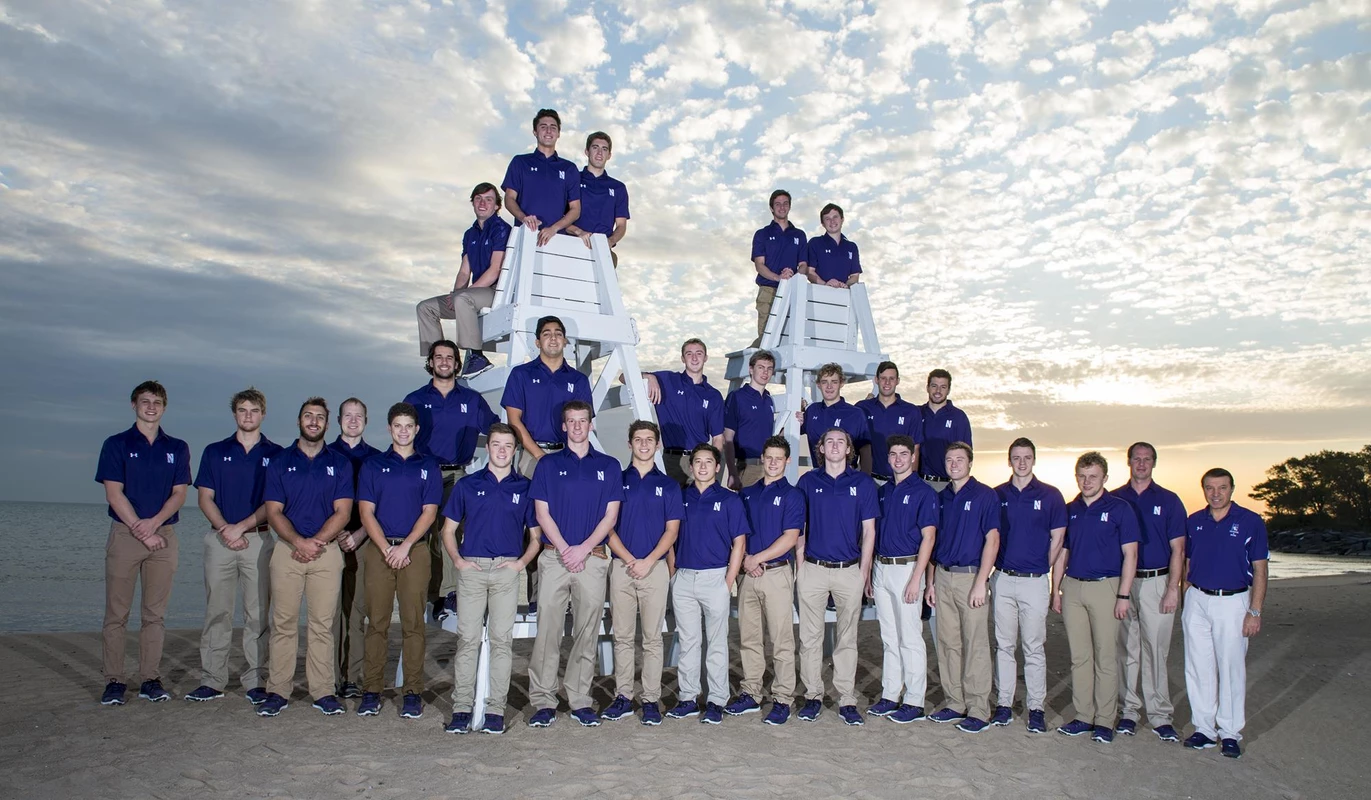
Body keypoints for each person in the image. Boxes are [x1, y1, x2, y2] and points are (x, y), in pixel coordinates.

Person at [525, 401, 624, 728]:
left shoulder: (609, 466)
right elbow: (542, 513)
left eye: (583, 421)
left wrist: (583, 549)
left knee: (586, 632)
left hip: (593, 559)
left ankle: (580, 698)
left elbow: (610, 516)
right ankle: (542, 699)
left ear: (591, 425)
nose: (578, 426)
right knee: (548, 632)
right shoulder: (548, 466)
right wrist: (567, 548)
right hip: (555, 558)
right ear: (564, 426)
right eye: (572, 421)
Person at [440, 423, 541, 735]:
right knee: (467, 640)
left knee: (501, 642)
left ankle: (495, 709)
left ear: (515, 450)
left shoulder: (524, 488)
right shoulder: (468, 485)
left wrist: (519, 564)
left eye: (507, 445)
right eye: (496, 444)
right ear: (489, 448)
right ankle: (461, 709)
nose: (501, 450)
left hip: (506, 572)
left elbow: (535, 538)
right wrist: (459, 561)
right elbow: (447, 530)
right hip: (472, 570)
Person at [257, 398, 355, 718]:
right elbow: (273, 511)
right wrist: (299, 541)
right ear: (299, 421)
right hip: (287, 551)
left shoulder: (339, 463)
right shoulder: (280, 461)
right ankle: (278, 690)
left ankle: (322, 691)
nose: (313, 421)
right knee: (283, 623)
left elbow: (343, 512)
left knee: (322, 626)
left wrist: (317, 542)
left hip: (326, 553)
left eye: (320, 418)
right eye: (308, 416)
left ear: (328, 424)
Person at [96, 381, 191, 706]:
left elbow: (179, 494)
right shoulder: (116, 444)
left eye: (157, 402)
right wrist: (140, 528)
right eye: (145, 401)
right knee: (116, 614)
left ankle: (150, 678)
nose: (151, 407)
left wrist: (154, 525)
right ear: (134, 404)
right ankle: (114, 681)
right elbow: (113, 492)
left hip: (163, 537)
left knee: (154, 615)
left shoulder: (177, 447)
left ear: (164, 407)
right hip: (125, 535)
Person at [186, 387, 282, 705]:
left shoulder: (276, 454)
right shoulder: (215, 451)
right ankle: (212, 680)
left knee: (257, 614)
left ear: (263, 414)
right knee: (218, 612)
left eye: (254, 410)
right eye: (243, 410)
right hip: (219, 540)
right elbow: (204, 496)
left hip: (259, 539)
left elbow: (274, 503)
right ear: (235, 414)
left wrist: (241, 527)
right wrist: (226, 529)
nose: (248, 416)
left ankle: (255, 679)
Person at [354, 403, 443, 721]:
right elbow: (366, 512)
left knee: (413, 625)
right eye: (397, 426)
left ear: (416, 429)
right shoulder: (373, 465)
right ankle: (372, 691)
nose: (403, 431)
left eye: (409, 426)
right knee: (376, 624)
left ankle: (412, 693)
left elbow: (429, 512)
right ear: (389, 428)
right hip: (379, 551)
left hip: (414, 552)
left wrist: (404, 547)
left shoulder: (428, 466)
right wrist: (386, 548)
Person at [501, 315, 594, 614]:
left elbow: (582, 421)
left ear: (565, 341)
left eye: (558, 334)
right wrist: (538, 455)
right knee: (529, 522)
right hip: (532, 455)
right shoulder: (522, 374)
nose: (553, 338)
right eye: (546, 334)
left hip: (566, 457)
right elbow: (513, 420)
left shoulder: (577, 380)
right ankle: (528, 595)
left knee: (561, 521)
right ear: (537, 341)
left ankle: (555, 595)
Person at [404, 340, 499, 620]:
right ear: (431, 363)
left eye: (449, 357)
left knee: (452, 532)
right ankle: (432, 595)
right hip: (423, 473)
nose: (444, 362)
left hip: (457, 473)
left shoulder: (471, 400)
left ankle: (450, 593)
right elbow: (402, 434)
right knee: (425, 536)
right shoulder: (415, 399)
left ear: (457, 364)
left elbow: (495, 429)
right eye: (438, 357)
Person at [1181, 468, 1268, 759]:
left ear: (1232, 489)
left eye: (1221, 488)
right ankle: (1204, 729)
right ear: (1203, 489)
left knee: (1231, 668)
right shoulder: (1194, 521)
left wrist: (1254, 611)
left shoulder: (1250, 522)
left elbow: (1260, 569)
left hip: (1233, 602)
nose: (1215, 493)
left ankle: (1230, 733)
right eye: (1209, 488)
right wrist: (1186, 595)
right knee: (1198, 666)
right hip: (1197, 599)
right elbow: (1188, 561)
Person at [1052, 451, 1139, 743]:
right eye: (1082, 476)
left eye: (1093, 477)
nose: (1086, 481)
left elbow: (1131, 554)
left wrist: (1123, 595)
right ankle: (1083, 716)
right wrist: (1056, 589)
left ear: (1104, 478)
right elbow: (1064, 552)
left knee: (1105, 656)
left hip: (1107, 587)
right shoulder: (1071, 509)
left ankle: (1104, 720)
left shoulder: (1120, 509)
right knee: (1080, 657)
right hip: (1074, 587)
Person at [794, 428, 878, 726]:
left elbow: (869, 532)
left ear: (848, 450)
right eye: (828, 441)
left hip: (848, 570)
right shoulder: (807, 481)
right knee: (809, 638)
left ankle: (846, 698)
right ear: (821, 448)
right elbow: (800, 527)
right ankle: (813, 695)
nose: (834, 445)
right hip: (813, 569)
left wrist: (864, 572)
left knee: (847, 638)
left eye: (840, 442)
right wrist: (800, 565)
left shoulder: (862, 484)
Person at [602, 421, 682, 726]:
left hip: (654, 568)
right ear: (630, 443)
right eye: (639, 439)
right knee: (622, 636)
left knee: (652, 638)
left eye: (650, 440)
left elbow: (672, 531)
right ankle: (622, 696)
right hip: (622, 567)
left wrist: (648, 561)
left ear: (658, 445)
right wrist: (628, 559)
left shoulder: (669, 485)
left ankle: (650, 699)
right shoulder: (616, 481)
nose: (644, 444)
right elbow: (607, 527)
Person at [667, 444, 749, 725]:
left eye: (708, 462)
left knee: (716, 643)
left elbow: (739, 543)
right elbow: (670, 538)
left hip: (716, 578)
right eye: (697, 462)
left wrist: (727, 581)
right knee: (689, 642)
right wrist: (673, 573)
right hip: (684, 578)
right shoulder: (680, 497)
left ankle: (716, 700)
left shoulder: (730, 500)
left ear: (717, 467)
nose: (702, 466)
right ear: (691, 467)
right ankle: (688, 697)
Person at [990, 437, 1066, 732]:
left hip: (1035, 581)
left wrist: (1040, 564)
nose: (1021, 463)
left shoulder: (1050, 496)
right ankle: (1004, 704)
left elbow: (1058, 537)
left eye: (1027, 457)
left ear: (1034, 460)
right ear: (1009, 461)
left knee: (1034, 646)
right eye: (1016, 458)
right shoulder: (998, 495)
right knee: (1004, 645)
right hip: (1004, 579)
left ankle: (1035, 707)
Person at [1111, 442, 1186, 742]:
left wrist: (1173, 589)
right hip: (1123, 583)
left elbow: (1178, 550)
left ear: (1154, 463)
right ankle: (1128, 711)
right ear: (1128, 462)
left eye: (1147, 459)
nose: (1141, 464)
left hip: (1157, 582)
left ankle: (1160, 715)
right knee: (1126, 650)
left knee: (1156, 650)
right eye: (1136, 459)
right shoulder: (1115, 498)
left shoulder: (1169, 500)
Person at [729, 435, 804, 725]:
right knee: (749, 638)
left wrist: (756, 559)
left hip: (775, 573)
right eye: (768, 457)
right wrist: (747, 560)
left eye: (778, 458)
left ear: (787, 461)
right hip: (749, 573)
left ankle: (783, 697)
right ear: (762, 458)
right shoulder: (747, 494)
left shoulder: (793, 495)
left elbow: (790, 537)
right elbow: (739, 534)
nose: (772, 462)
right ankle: (751, 691)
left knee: (781, 640)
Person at [926, 441, 1000, 733]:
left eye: (960, 459)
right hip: (943, 576)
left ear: (970, 463)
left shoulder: (985, 496)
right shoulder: (941, 498)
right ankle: (955, 702)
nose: (954, 464)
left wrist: (982, 582)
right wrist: (931, 582)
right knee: (948, 644)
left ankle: (979, 709)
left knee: (976, 644)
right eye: (949, 459)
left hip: (972, 578)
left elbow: (992, 540)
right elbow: (934, 542)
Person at [867, 435, 938, 724]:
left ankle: (914, 701)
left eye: (903, 454)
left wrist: (916, 579)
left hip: (908, 569)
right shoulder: (883, 492)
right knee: (889, 637)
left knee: (910, 638)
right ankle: (890, 695)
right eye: (893, 454)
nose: (898, 459)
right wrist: (872, 573)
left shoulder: (924, 492)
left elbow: (929, 537)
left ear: (912, 457)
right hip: (882, 568)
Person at [415, 182, 513, 377]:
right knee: (425, 308)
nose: (483, 203)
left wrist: (464, 294)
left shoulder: (501, 228)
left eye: (488, 200)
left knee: (463, 298)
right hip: (473, 294)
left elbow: (495, 270)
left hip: (495, 292)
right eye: (478, 199)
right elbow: (463, 272)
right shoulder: (470, 234)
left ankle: (477, 357)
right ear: (473, 203)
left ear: (496, 206)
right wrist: (455, 293)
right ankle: (437, 359)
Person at [327, 398, 381, 700]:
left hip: (362, 542)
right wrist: (334, 534)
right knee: (331, 614)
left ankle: (354, 678)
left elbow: (379, 506)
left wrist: (359, 535)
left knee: (358, 611)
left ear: (366, 420)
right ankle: (330, 677)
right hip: (330, 543)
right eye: (347, 415)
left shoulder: (374, 459)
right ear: (338, 420)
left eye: (358, 416)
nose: (352, 420)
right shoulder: (325, 455)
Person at [642, 338, 725, 486]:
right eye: (689, 354)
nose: (694, 358)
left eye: (699, 353)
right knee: (670, 508)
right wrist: (649, 377)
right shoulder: (667, 380)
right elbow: (624, 377)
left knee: (699, 507)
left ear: (705, 358)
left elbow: (718, 438)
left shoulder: (714, 395)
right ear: (682, 358)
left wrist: (712, 464)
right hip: (671, 461)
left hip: (700, 461)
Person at [502, 108, 580, 247]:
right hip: (525, 236)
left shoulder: (569, 168)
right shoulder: (520, 162)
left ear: (558, 134)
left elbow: (575, 209)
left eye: (553, 127)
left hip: (558, 240)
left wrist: (554, 229)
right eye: (543, 127)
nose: (548, 131)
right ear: (535, 132)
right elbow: (509, 198)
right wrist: (524, 218)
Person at [749, 189, 808, 343]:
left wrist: (793, 278)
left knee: (789, 337)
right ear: (771, 208)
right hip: (768, 290)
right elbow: (759, 265)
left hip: (792, 292)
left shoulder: (799, 235)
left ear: (789, 206)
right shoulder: (762, 234)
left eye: (785, 203)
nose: (782, 207)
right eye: (778, 204)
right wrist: (779, 278)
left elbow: (803, 265)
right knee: (766, 338)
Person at [566, 131, 629, 266]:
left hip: (603, 251)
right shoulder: (572, 179)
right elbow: (559, 215)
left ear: (609, 155)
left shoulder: (618, 188)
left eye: (604, 149)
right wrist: (578, 231)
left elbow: (621, 225)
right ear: (587, 151)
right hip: (571, 245)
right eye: (595, 147)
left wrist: (609, 241)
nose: (600, 153)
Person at [856, 361, 923, 483]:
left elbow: (915, 449)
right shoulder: (862, 408)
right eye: (883, 378)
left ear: (898, 381)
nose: (887, 383)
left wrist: (911, 483)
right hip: (869, 480)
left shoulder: (911, 411)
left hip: (899, 481)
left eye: (891, 378)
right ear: (876, 380)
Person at [723, 350, 777, 491]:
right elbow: (727, 438)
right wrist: (732, 472)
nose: (765, 372)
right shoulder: (737, 397)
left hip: (768, 468)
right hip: (746, 467)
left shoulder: (769, 400)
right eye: (761, 367)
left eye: (769, 368)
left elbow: (771, 434)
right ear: (751, 369)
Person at [798, 363, 869, 466]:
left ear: (841, 383)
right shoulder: (812, 410)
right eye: (824, 382)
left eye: (834, 382)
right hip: (818, 477)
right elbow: (786, 432)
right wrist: (794, 414)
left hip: (847, 477)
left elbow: (865, 449)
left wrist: (865, 479)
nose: (829, 386)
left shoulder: (856, 414)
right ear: (818, 384)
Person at [918, 369, 972, 490]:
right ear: (927, 388)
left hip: (946, 486)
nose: (938, 391)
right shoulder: (917, 413)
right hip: (919, 483)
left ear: (948, 389)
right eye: (934, 386)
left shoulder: (958, 417)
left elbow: (966, 455)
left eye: (943, 387)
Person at [805, 203, 861, 287]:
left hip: (844, 295)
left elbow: (855, 276)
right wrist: (825, 284)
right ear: (823, 223)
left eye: (835, 217)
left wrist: (845, 285)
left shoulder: (852, 247)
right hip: (819, 294)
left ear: (842, 219)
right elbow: (809, 272)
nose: (832, 221)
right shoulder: (815, 243)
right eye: (827, 219)